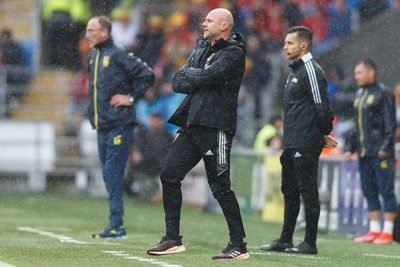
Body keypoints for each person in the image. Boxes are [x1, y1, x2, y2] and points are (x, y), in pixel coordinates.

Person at [146, 8, 249, 260]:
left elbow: (208, 77)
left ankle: (239, 245)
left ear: (224, 25)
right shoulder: (203, 47)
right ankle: (172, 238)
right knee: (169, 175)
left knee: (220, 187)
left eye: (209, 20)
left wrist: (194, 74)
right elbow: (177, 82)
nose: (203, 23)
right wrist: (196, 75)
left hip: (217, 129)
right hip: (192, 125)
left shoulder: (234, 53)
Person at [260, 26, 337, 255]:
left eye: (290, 43)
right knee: (289, 190)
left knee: (307, 191)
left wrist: (324, 133)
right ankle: (285, 239)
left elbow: (322, 106)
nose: (285, 47)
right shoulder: (294, 71)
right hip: (291, 141)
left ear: (303, 46)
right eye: (285, 43)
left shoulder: (311, 70)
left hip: (305, 141)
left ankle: (309, 243)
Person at [85, 16, 155, 239]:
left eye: (92, 30)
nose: (87, 34)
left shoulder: (118, 53)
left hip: (119, 123)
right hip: (102, 124)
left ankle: (116, 225)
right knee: (108, 174)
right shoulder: (94, 56)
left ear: (105, 32)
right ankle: (116, 223)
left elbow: (147, 74)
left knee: (112, 173)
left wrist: (131, 98)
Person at [343, 59, 397, 244]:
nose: (356, 76)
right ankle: (374, 230)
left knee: (386, 191)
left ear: (371, 72)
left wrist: (385, 147)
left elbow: (391, 124)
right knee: (369, 191)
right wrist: (349, 147)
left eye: (359, 72)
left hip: (380, 153)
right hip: (364, 152)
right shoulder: (359, 94)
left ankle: (387, 232)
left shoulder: (383, 93)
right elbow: (356, 125)